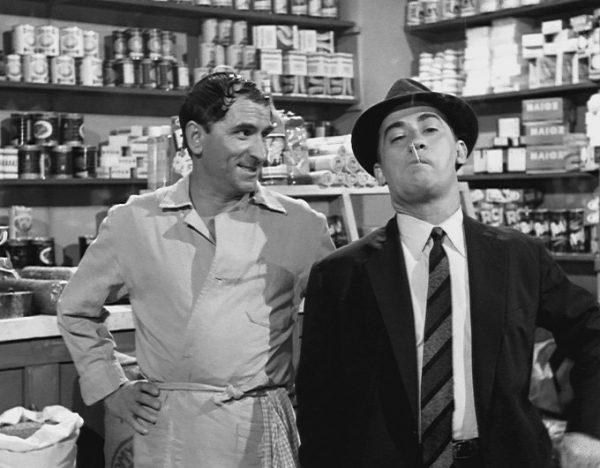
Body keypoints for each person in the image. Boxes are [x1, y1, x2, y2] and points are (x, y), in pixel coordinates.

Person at [295, 78, 600, 468]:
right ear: (378, 171)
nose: (415, 143)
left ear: (460, 151)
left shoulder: (519, 255)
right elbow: (320, 402)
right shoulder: (339, 275)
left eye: (430, 130)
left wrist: (588, 428)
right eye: (396, 137)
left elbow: (592, 334)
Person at [58, 71, 335, 467]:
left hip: (262, 430)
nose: (261, 152)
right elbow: (76, 310)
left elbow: (343, 328)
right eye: (243, 133)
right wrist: (111, 387)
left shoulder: (301, 225)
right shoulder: (135, 221)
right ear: (195, 137)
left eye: (265, 134)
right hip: (171, 434)